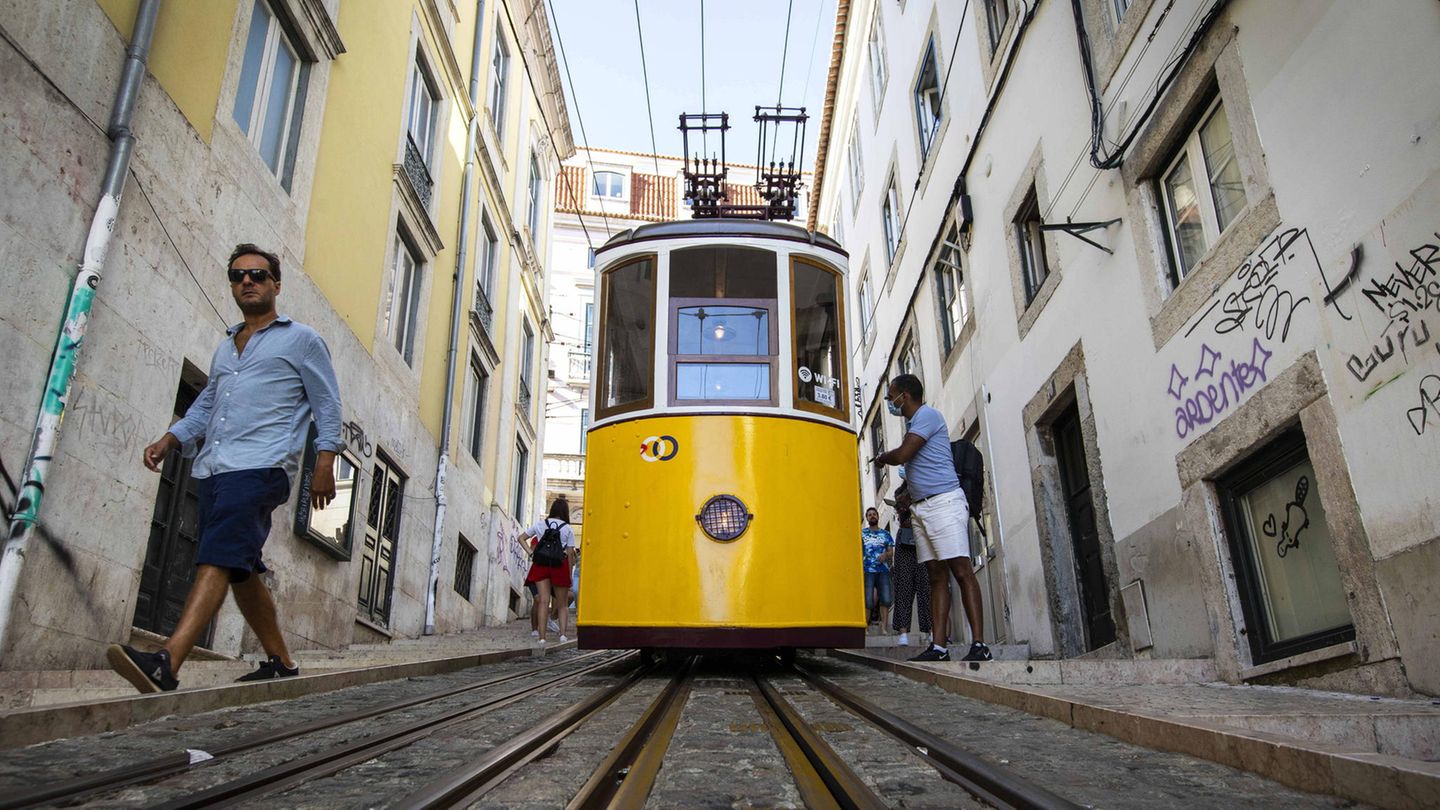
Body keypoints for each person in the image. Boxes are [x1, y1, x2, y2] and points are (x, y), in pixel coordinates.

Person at [107, 244, 343, 692]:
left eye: (257, 274)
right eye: (237, 275)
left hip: (261, 466)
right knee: (241, 566)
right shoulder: (225, 347)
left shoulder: (303, 340)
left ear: (276, 284)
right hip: (215, 467)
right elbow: (208, 403)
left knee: (217, 557)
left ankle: (167, 663)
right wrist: (171, 437)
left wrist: (325, 460)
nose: (247, 281)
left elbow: (327, 403)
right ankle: (281, 662)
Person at [872, 374, 990, 662]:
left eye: (891, 397)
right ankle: (939, 647)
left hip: (944, 504)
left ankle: (979, 644)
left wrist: (883, 457)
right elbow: (922, 465)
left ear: (906, 396)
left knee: (961, 570)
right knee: (936, 577)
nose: (890, 402)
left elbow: (903, 455)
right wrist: (908, 496)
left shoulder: (927, 416)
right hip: (923, 508)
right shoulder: (914, 424)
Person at [517, 498, 575, 644]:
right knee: (562, 604)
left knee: (543, 601)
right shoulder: (568, 529)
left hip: (541, 564)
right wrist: (569, 575)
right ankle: (562, 635)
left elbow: (521, 538)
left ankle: (542, 638)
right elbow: (569, 554)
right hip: (559, 565)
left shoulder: (540, 525)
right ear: (565, 512)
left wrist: (531, 553)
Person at [889, 483, 932, 647]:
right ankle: (903, 632)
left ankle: (929, 630)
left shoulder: (925, 482)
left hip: (924, 535)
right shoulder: (901, 491)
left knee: (926, 585)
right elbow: (902, 505)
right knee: (904, 585)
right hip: (907, 538)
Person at [861, 507, 894, 635]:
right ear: (867, 518)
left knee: (885, 599)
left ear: (878, 517)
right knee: (868, 600)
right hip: (867, 570)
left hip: (883, 570)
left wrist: (885, 555)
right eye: (869, 515)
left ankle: (884, 628)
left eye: (874, 514)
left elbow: (891, 551)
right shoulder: (862, 534)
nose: (872, 516)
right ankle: (866, 626)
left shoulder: (885, 534)